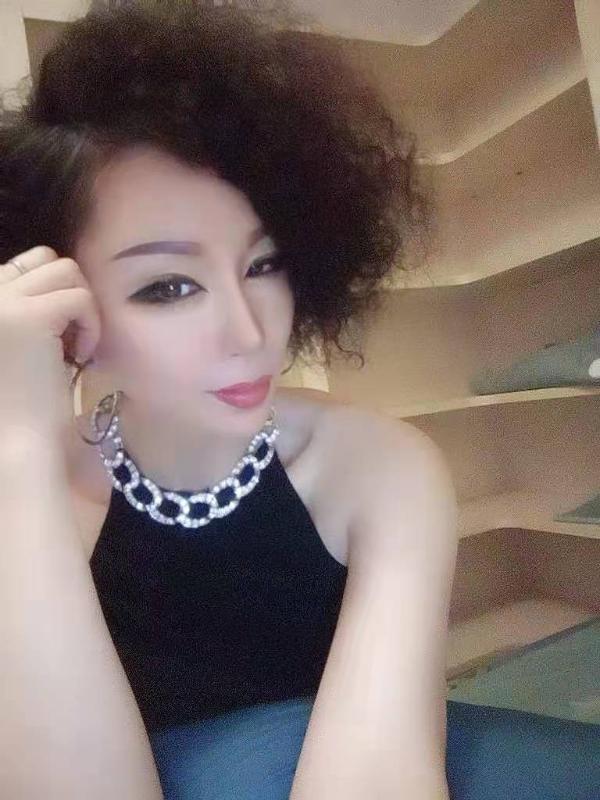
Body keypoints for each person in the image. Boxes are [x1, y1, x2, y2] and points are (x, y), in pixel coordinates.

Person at [1, 2, 598, 799]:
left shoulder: (380, 468)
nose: (251, 332)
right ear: (69, 314)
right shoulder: (30, 487)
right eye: (168, 286)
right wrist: (17, 448)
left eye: (265, 263)